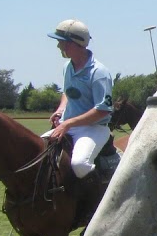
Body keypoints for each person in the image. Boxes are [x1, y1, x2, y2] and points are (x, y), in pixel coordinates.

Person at [45, 18, 114, 195]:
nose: (59, 46)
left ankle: (98, 203)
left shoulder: (99, 73)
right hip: (68, 125)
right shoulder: (67, 67)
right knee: (37, 153)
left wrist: (68, 124)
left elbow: (103, 110)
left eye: (62, 43)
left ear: (76, 43)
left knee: (80, 165)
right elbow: (68, 92)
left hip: (93, 128)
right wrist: (61, 111)